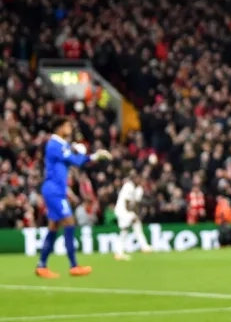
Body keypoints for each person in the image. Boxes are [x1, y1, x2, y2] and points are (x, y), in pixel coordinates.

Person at [35, 117, 111, 278]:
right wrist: (92, 156)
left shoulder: (61, 145)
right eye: (67, 125)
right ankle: (74, 265)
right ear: (59, 128)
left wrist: (89, 155)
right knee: (69, 222)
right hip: (54, 190)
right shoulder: (54, 144)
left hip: (57, 190)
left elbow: (75, 158)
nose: (70, 128)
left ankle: (41, 266)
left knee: (54, 227)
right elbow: (75, 161)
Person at [113, 170, 152, 261]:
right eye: (137, 178)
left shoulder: (139, 189)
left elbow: (136, 204)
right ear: (133, 179)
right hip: (122, 210)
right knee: (126, 229)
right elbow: (126, 203)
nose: (139, 180)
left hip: (129, 211)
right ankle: (143, 246)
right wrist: (132, 215)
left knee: (130, 229)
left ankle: (120, 252)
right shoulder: (128, 186)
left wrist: (137, 215)